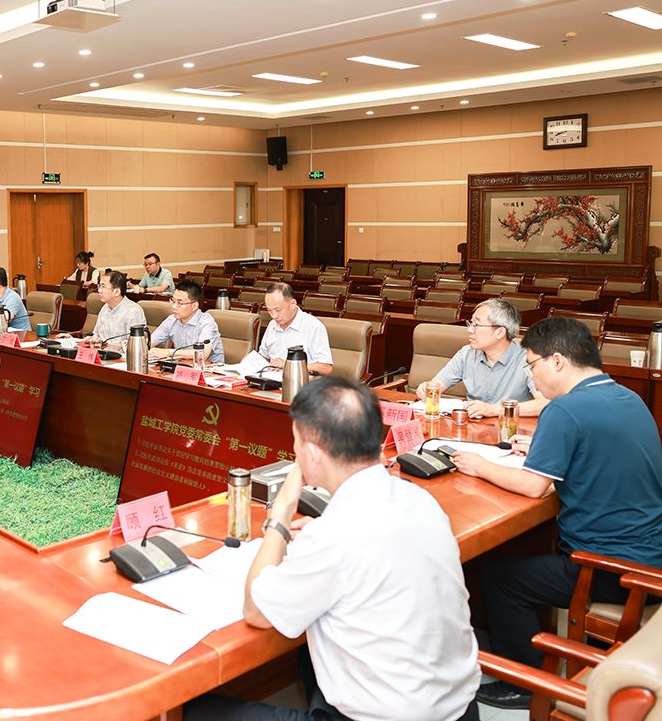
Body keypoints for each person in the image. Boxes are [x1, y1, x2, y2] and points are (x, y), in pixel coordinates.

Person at [187, 377, 480, 721]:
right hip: (460, 709)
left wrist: (280, 516)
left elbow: (256, 611)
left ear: (312, 452)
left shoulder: (333, 536)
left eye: (296, 442)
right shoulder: (419, 500)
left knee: (195, 712)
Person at [451, 317, 662, 709]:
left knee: (498, 578)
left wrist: (479, 466)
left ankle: (526, 683)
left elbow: (533, 486)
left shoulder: (566, 409)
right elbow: (597, 450)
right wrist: (541, 447)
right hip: (651, 553)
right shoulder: (626, 396)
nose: (531, 375)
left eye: (532, 365)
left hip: (613, 569)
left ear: (558, 361)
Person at [415, 297, 548, 419]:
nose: (469, 330)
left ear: (499, 332)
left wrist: (494, 410)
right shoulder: (467, 354)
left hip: (510, 428)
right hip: (472, 426)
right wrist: (426, 390)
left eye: (476, 325)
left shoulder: (528, 359)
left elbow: (545, 403)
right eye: (470, 323)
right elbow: (435, 386)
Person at [258, 282, 333, 374]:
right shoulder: (272, 324)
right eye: (269, 310)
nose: (274, 315)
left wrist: (289, 365)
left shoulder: (313, 326)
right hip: (271, 378)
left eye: (278, 310)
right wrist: (252, 360)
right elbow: (264, 356)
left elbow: (326, 368)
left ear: (293, 304)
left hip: (299, 380)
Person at [149, 280, 225, 364]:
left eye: (180, 303)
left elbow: (202, 354)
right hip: (183, 366)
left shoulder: (206, 322)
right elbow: (150, 342)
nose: (174, 306)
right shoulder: (172, 320)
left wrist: (168, 352)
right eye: (173, 301)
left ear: (194, 306)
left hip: (210, 369)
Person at [84, 271, 146, 351]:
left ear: (116, 292)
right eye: (99, 286)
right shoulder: (105, 308)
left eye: (103, 286)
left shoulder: (133, 311)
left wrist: (107, 347)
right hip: (102, 353)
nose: (99, 290)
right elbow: (96, 335)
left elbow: (134, 345)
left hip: (121, 356)